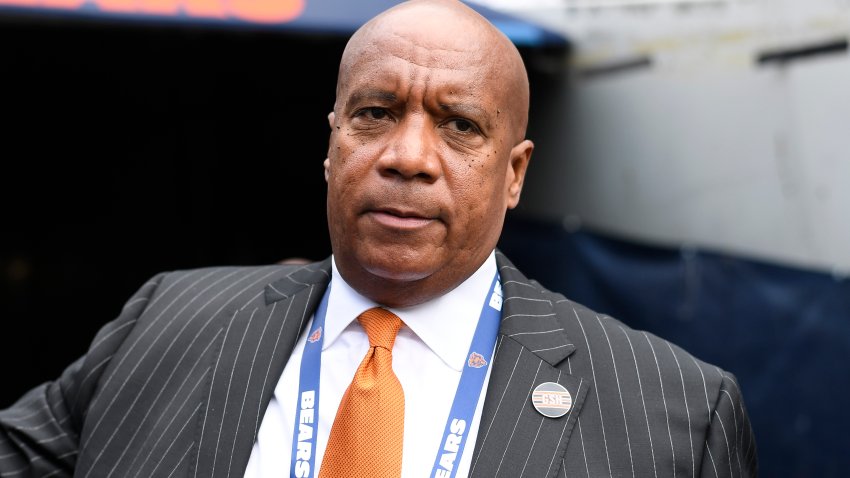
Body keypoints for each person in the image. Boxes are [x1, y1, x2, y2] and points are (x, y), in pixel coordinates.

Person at [0, 0, 756, 476]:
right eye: (375, 114)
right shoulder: (169, 317)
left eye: (460, 126)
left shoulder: (675, 414)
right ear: (332, 144)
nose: (407, 157)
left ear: (515, 173)